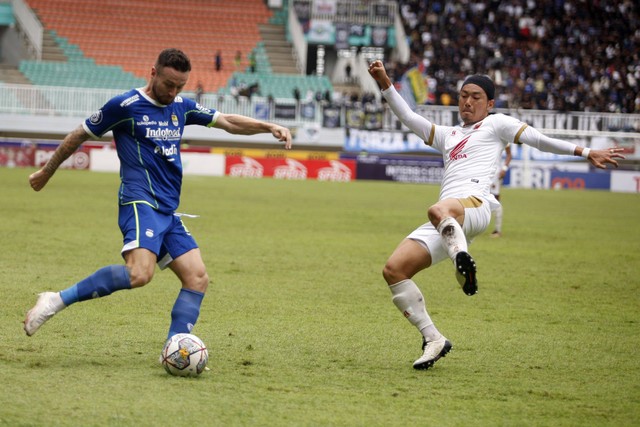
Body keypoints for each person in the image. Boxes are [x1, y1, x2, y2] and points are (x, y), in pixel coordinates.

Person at [24, 49, 292, 356]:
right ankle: (55, 300)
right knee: (140, 273)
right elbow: (79, 134)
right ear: (153, 73)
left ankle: (176, 349)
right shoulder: (124, 106)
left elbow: (227, 121)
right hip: (139, 203)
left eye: (180, 86)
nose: (173, 92)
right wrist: (47, 171)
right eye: (168, 84)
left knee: (197, 277)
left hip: (167, 210)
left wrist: (267, 126)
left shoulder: (181, 106)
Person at [367, 60, 624, 371]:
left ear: (489, 103)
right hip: (449, 223)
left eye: (476, 96)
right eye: (463, 95)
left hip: (474, 207)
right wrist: (383, 81)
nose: (468, 101)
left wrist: (585, 152)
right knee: (394, 270)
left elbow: (539, 140)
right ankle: (433, 338)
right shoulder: (446, 135)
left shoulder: (496, 124)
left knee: (438, 209)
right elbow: (407, 115)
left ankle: (461, 263)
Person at [489, 144, 512, 237]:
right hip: (480, 171)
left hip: (495, 174)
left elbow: (509, 155)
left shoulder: (501, 134)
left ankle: (497, 231)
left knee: (495, 199)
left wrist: (504, 169)